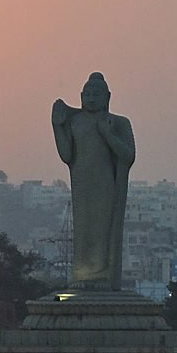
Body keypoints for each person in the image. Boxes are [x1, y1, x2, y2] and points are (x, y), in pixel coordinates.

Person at [52, 72, 136, 290]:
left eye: (96, 94)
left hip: (105, 185)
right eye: (87, 94)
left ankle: (102, 276)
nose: (90, 98)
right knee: (83, 230)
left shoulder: (118, 123)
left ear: (107, 97)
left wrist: (108, 134)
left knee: (102, 230)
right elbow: (66, 155)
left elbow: (128, 156)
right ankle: (82, 276)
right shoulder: (75, 122)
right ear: (81, 95)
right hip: (81, 184)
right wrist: (58, 126)